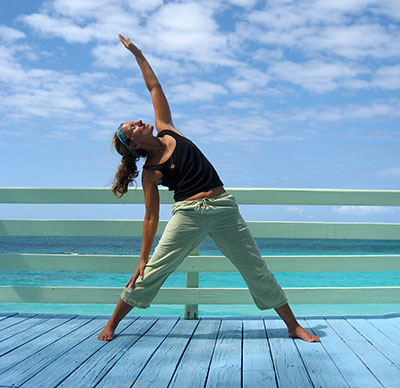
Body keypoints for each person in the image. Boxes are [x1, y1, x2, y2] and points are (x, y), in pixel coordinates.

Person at [97, 34, 320, 342]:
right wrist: (142, 258)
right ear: (134, 144)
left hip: (223, 208)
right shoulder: (151, 173)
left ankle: (293, 326)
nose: (138, 121)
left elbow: (154, 87)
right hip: (188, 214)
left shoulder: (167, 127)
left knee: (255, 269)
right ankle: (111, 324)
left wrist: (138, 53)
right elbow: (150, 218)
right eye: (132, 127)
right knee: (150, 273)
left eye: (134, 121)